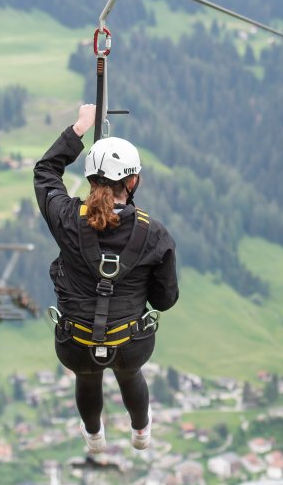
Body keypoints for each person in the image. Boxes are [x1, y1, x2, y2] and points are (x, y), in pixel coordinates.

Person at [34, 104, 178, 455]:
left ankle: (94, 435)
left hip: (75, 342)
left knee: (86, 375)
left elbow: (45, 173)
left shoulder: (68, 218)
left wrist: (79, 129)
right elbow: (164, 300)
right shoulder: (154, 234)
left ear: (90, 179)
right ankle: (141, 431)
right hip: (131, 342)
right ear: (133, 181)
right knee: (130, 374)